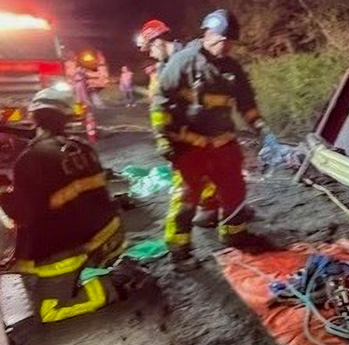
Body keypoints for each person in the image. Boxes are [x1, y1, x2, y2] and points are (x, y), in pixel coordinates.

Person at [0, 86, 151, 323]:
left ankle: (117, 281)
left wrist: (3, 192)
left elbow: (22, 215)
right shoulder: (81, 147)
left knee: (50, 309)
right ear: (68, 118)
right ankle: (110, 266)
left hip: (72, 248)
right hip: (110, 235)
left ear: (33, 116)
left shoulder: (29, 160)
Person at [151, 9, 272, 267]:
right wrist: (163, 138)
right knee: (186, 197)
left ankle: (234, 234)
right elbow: (161, 101)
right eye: (221, 40)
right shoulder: (183, 61)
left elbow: (246, 102)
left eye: (230, 42)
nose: (226, 46)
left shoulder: (231, 67)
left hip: (222, 144)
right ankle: (179, 250)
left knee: (234, 189)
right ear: (208, 34)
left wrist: (260, 126)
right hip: (189, 144)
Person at [137, 19, 219, 229]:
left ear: (158, 41)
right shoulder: (161, 73)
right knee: (184, 182)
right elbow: (158, 109)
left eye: (150, 49)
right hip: (182, 136)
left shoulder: (191, 53)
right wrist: (163, 138)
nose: (151, 54)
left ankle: (209, 210)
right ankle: (178, 237)